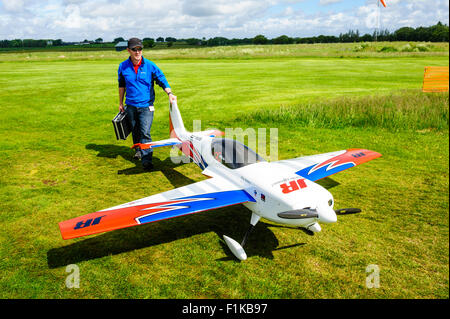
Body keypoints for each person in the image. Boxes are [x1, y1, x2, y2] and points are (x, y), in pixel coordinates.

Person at [118, 37, 177, 170]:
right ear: (128, 50)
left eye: (140, 49)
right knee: (135, 130)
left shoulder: (150, 65)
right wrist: (121, 103)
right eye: (134, 49)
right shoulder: (123, 66)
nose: (138, 52)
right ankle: (138, 150)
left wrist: (170, 93)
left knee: (145, 132)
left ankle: (147, 160)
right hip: (130, 105)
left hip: (146, 106)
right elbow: (121, 85)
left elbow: (162, 79)